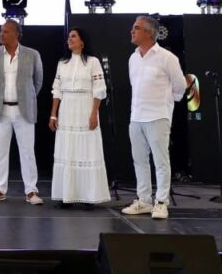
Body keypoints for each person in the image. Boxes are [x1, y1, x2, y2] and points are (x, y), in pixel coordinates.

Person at [121, 15, 186, 220]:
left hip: (158, 116)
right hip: (136, 116)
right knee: (139, 160)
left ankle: (161, 202)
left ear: (149, 32)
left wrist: (166, 105)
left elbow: (180, 87)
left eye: (136, 28)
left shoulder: (167, 57)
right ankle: (144, 200)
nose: (132, 31)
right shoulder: (133, 58)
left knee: (160, 161)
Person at [0, 20, 45, 205]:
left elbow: (38, 82)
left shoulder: (32, 54)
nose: (1, 34)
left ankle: (31, 191)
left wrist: (27, 98)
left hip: (23, 110)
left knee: (27, 152)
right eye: (1, 31)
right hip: (0, 111)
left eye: (6, 31)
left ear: (17, 34)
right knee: (0, 151)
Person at [49, 27, 110, 208]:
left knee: (87, 150)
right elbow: (57, 90)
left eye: (73, 36)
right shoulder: (63, 63)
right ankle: (66, 195)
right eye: (69, 37)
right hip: (67, 110)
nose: (70, 39)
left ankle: (88, 196)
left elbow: (99, 90)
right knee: (67, 150)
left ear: (82, 41)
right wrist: (53, 114)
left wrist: (94, 114)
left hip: (85, 108)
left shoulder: (93, 62)